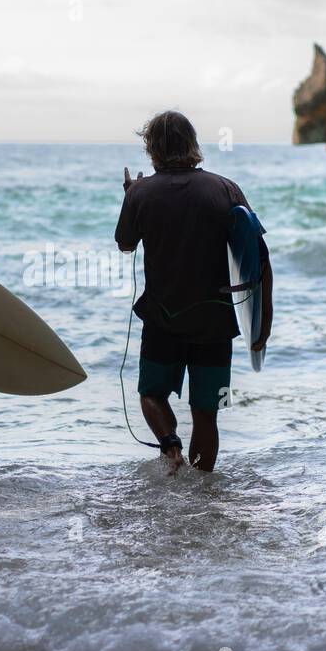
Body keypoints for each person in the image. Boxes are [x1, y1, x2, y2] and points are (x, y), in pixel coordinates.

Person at [115, 110, 272, 472]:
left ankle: (171, 450)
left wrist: (130, 197)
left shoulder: (140, 193)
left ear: (152, 148)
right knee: (207, 413)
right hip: (215, 322)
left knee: (152, 394)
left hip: (162, 319)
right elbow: (259, 261)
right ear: (193, 144)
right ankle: (202, 493)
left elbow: (126, 246)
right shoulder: (225, 188)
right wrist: (262, 326)